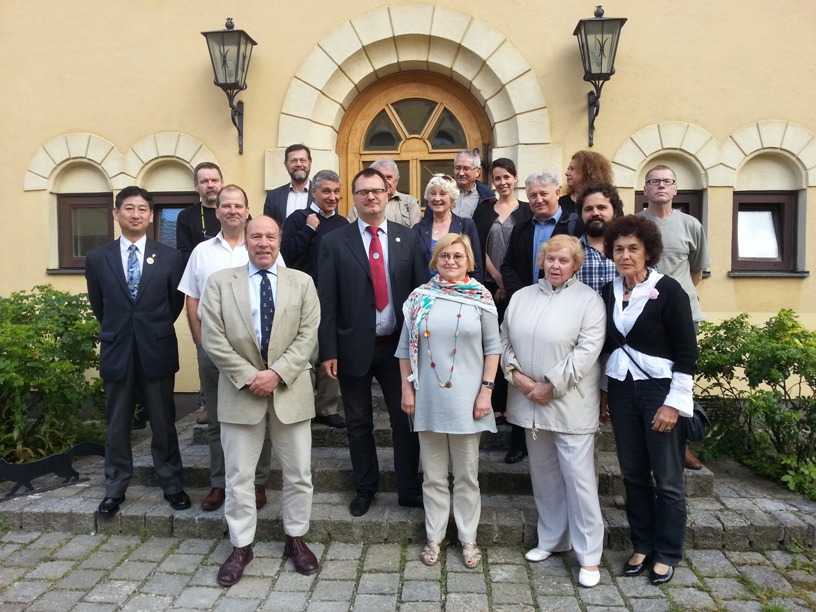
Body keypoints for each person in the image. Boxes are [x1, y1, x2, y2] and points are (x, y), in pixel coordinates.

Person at [201, 215, 321, 586]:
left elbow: (308, 336)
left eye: (270, 236)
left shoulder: (302, 282)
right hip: (241, 393)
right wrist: (249, 376)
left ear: (280, 240)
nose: (264, 243)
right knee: (239, 476)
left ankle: (295, 539)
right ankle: (241, 546)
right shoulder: (221, 283)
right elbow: (213, 338)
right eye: (257, 236)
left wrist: (277, 374)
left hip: (290, 393)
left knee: (299, 473)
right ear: (246, 240)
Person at [318, 167, 425, 517]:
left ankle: (408, 488)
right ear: (355, 197)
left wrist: (421, 345)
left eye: (377, 190)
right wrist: (329, 350)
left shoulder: (408, 238)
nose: (371, 197)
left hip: (399, 349)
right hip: (353, 347)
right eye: (363, 192)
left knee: (404, 419)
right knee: (359, 422)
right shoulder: (335, 242)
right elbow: (327, 300)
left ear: (388, 193)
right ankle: (366, 487)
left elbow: (421, 294)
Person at [501, 235, 606, 588]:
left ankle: (589, 555)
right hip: (528, 402)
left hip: (569, 404)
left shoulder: (589, 301)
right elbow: (503, 342)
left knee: (579, 481)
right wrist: (519, 379)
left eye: (564, 261)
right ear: (541, 262)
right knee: (544, 476)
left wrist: (550, 384)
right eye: (551, 260)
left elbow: (587, 350)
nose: (556, 266)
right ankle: (552, 539)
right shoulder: (521, 297)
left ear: (576, 265)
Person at [600, 215, 698, 586]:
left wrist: (674, 403)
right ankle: (641, 544)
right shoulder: (608, 291)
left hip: (660, 391)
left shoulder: (669, 290)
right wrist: (606, 394)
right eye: (619, 249)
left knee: (668, 478)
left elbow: (687, 353)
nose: (625, 255)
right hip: (623, 390)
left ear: (648, 252)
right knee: (633, 473)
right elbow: (609, 346)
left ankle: (668, 551)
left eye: (633, 249)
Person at [84, 186, 189, 518]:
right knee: (116, 423)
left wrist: (149, 329)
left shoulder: (170, 257)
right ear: (116, 214)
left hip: (156, 349)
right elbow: (99, 305)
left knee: (163, 421)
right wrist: (124, 330)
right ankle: (115, 488)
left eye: (142, 209)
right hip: (118, 350)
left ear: (150, 216)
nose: (135, 214)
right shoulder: (98, 258)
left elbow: (174, 305)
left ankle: (172, 484)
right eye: (128, 208)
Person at [397, 233, 500, 569]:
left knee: (467, 476)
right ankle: (435, 537)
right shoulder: (419, 299)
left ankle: (468, 539)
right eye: (445, 256)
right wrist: (407, 389)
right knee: (433, 475)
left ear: (469, 261)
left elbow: (493, 349)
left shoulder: (481, 297)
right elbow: (403, 350)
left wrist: (486, 390)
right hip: (428, 397)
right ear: (435, 260)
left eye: (458, 256)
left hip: (469, 400)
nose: (451, 262)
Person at [178, 184, 272, 512]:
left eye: (238, 205)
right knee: (218, 419)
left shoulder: (260, 246)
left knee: (259, 416)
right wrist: (199, 339)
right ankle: (220, 483)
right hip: (213, 348)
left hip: (255, 349)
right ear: (216, 211)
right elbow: (192, 298)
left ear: (248, 210)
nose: (232, 210)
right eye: (225, 205)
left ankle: (258, 483)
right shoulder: (202, 252)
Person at [638, 164, 709, 471]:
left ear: (676, 188)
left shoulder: (691, 225)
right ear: (645, 189)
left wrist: (676, 300)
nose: (661, 187)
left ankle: (683, 445)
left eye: (667, 182)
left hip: (683, 313)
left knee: (682, 377)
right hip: (643, 312)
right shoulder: (637, 223)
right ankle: (650, 440)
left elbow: (697, 270)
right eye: (654, 182)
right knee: (652, 380)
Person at [281, 170, 349, 429]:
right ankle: (305, 407)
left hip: (334, 298)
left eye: (336, 192)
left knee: (331, 352)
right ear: (314, 192)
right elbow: (287, 256)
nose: (332, 197)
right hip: (302, 298)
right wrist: (309, 230)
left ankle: (327, 407)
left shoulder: (343, 223)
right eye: (326, 192)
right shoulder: (298, 219)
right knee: (306, 354)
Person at [472, 158, 528, 461]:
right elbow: (476, 246)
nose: (503, 182)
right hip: (488, 286)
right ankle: (491, 406)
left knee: (515, 347)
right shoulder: (483, 209)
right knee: (488, 346)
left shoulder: (527, 211)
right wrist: (496, 278)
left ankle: (513, 411)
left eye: (507, 176)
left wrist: (509, 282)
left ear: (515, 178)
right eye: (497, 178)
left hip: (520, 289)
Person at [501, 171, 580, 301]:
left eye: (543, 194)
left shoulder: (574, 225)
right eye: (533, 195)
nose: (538, 200)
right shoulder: (520, 229)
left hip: (563, 302)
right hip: (526, 302)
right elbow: (508, 266)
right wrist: (521, 295)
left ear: (557, 193)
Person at [413, 174, 483, 282]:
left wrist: (474, 294)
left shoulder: (466, 226)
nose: (437, 198)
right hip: (426, 293)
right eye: (433, 194)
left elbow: (476, 265)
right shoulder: (418, 229)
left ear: (452, 197)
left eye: (442, 194)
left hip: (459, 292)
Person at [576, 182, 623, 292]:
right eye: (588, 209)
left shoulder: (630, 251)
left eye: (601, 208)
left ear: (615, 212)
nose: (595, 213)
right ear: (581, 214)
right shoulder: (570, 252)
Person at [347, 160, 423, 227]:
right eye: (380, 177)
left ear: (396, 180)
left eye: (389, 177)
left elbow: (415, 233)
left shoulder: (410, 203)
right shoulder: (360, 205)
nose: (385, 181)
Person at [176, 162, 224, 261]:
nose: (210, 185)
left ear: (222, 183)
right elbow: (184, 255)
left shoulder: (237, 212)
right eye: (204, 181)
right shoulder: (186, 216)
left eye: (214, 180)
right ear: (196, 186)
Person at [263, 144, 314, 227]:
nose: (298, 164)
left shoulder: (322, 195)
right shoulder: (273, 196)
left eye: (302, 160)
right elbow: (268, 228)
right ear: (286, 164)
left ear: (310, 163)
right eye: (294, 160)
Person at [560, 150, 614, 219]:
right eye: (568, 169)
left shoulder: (609, 201)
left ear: (587, 172)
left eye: (572, 169)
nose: (566, 173)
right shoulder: (561, 203)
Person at [452, 150, 494, 218]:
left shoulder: (487, 197)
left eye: (466, 169)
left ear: (477, 172)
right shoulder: (443, 192)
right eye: (458, 168)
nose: (461, 173)